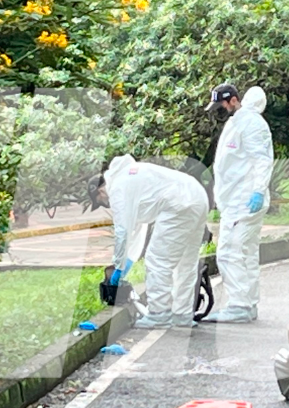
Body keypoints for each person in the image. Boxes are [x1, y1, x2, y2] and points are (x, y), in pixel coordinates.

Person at [88, 155, 209, 329]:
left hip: (178, 205)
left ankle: (159, 314)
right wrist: (126, 263)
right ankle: (182, 314)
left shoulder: (117, 189)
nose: (105, 205)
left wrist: (118, 267)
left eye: (100, 202)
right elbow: (137, 230)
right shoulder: (131, 178)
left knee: (157, 260)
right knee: (186, 262)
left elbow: (122, 232)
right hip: (197, 197)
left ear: (100, 191)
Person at [202, 83, 273, 324]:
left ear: (233, 100)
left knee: (228, 253)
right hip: (236, 201)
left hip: (244, 202)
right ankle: (248, 304)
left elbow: (262, 160)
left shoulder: (251, 124)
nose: (218, 111)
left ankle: (239, 305)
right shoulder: (237, 122)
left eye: (220, 105)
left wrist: (258, 191)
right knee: (246, 253)